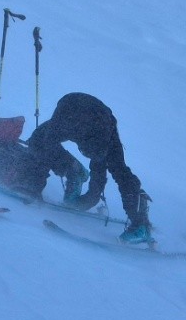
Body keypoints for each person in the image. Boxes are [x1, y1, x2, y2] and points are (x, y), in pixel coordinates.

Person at [27, 92, 152, 244]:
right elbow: (44, 152)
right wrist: (34, 187)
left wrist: (88, 200)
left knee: (118, 170)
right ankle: (74, 171)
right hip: (72, 109)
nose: (85, 154)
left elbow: (98, 175)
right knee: (38, 141)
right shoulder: (60, 127)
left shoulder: (102, 137)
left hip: (100, 119)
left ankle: (140, 225)